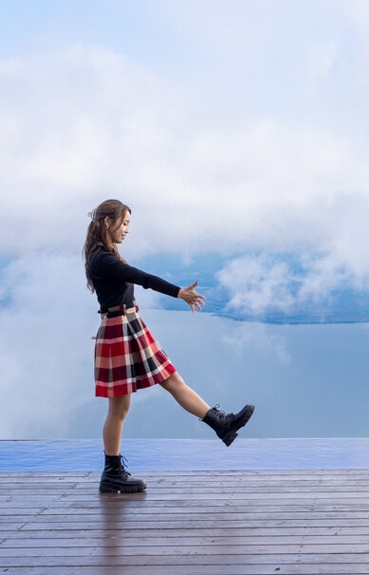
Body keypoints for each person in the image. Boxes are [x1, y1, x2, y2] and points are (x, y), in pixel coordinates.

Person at [84, 198, 254, 494]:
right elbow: (142, 278)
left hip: (129, 326)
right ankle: (111, 473)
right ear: (107, 223)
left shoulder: (106, 255)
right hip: (120, 329)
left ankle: (221, 424)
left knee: (171, 381)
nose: (127, 230)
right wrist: (179, 293)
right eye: (124, 224)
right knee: (120, 407)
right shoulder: (103, 259)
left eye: (128, 225)